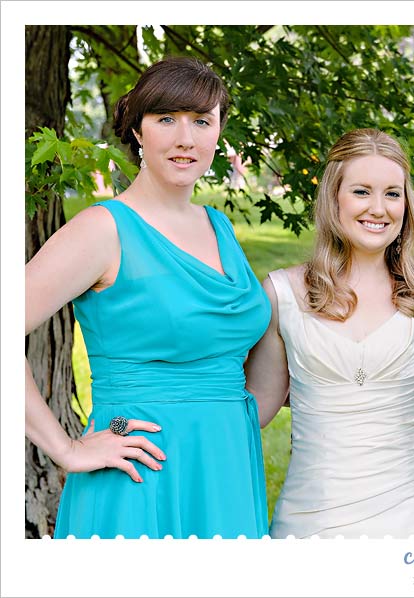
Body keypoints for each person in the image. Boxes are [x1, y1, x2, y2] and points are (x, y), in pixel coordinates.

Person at [25, 56, 271, 539]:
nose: (186, 138)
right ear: (138, 131)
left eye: (202, 121)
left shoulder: (218, 227)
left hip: (226, 469)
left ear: (218, 133)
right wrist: (66, 448)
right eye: (166, 120)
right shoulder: (103, 230)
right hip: (139, 470)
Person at [244, 128, 414, 539]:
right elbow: (254, 410)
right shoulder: (282, 294)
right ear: (334, 197)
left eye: (393, 193)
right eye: (361, 191)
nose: (379, 208)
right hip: (312, 522)